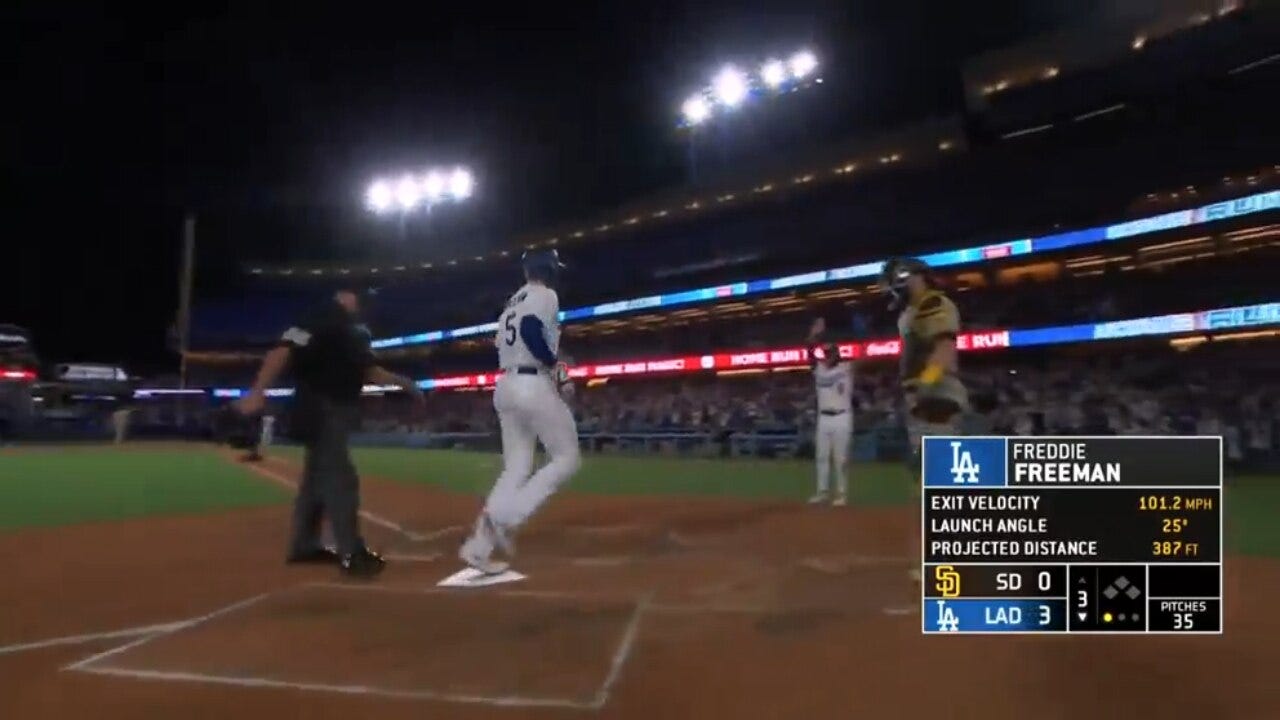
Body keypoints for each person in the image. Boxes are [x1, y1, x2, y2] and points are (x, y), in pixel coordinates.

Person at [236, 288, 422, 578]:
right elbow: (285, 350)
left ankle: (304, 545)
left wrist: (402, 382)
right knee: (341, 480)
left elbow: (364, 370)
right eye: (358, 301)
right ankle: (352, 554)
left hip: (315, 408)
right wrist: (257, 391)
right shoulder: (336, 324)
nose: (360, 307)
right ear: (347, 297)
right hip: (326, 409)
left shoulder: (326, 324)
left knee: (315, 481)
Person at [459, 249, 581, 574]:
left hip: (507, 385)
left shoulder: (511, 301)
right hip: (531, 382)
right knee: (567, 458)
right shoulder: (546, 294)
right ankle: (508, 515)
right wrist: (557, 368)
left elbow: (508, 340)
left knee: (517, 465)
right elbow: (530, 329)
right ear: (549, 269)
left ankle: (478, 547)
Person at [881, 257, 967, 587]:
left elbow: (944, 350)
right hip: (922, 403)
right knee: (924, 485)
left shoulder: (933, 303)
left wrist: (924, 385)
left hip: (936, 400)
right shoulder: (911, 312)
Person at [805, 317, 853, 507]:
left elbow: (865, 361)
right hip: (823, 417)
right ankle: (822, 492)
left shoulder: (845, 368)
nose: (826, 356)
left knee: (840, 458)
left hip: (842, 416)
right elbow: (809, 353)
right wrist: (813, 335)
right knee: (822, 457)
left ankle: (841, 494)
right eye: (825, 353)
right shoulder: (819, 370)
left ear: (837, 355)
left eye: (830, 353)